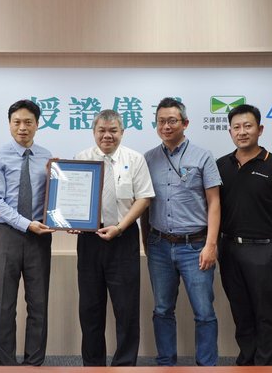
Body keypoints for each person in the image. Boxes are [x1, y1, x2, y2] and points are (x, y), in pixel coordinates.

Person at [216, 104, 272, 366]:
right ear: (229, 131)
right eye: (236, 127)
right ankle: (246, 363)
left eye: (248, 126)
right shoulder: (221, 165)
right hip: (228, 249)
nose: (242, 132)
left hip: (263, 251)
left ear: (260, 129)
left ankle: (265, 367)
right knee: (241, 312)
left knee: (265, 314)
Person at [141, 97, 221, 366]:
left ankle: (206, 366)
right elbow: (144, 204)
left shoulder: (203, 156)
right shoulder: (148, 158)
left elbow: (214, 202)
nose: (166, 126)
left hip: (195, 246)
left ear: (185, 123)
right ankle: (166, 363)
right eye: (161, 121)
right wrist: (147, 243)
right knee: (162, 309)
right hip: (159, 246)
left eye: (172, 120)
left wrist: (211, 245)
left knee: (204, 312)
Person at [73, 109, 154, 366]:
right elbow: (72, 197)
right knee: (90, 309)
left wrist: (120, 227)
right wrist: (72, 220)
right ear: (94, 132)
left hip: (123, 238)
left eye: (113, 131)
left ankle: (125, 365)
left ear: (122, 132)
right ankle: (93, 366)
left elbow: (143, 198)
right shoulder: (81, 158)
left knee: (126, 309)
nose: (107, 136)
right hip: (89, 240)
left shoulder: (135, 159)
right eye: (102, 130)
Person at [0, 99, 54, 366]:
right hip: (6, 236)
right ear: (10, 124)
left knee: (38, 304)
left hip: (40, 237)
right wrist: (25, 224)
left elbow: (56, 198)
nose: (22, 128)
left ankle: (34, 363)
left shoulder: (48, 157)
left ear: (37, 124)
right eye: (17, 122)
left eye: (28, 122)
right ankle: (7, 365)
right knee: (5, 306)